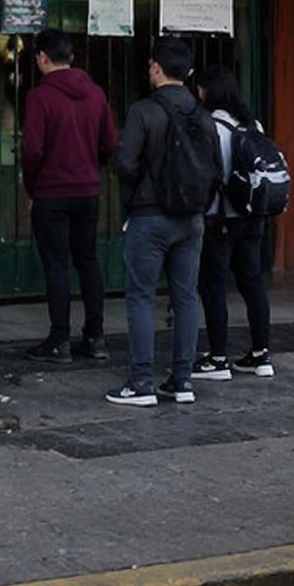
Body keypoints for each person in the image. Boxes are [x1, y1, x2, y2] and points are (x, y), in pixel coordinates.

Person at [109, 38, 219, 407]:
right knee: (186, 296)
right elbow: (215, 169)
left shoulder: (143, 111)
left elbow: (125, 163)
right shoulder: (203, 115)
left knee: (141, 296)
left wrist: (142, 185)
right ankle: (182, 379)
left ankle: (141, 382)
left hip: (149, 215)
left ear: (154, 66)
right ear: (189, 73)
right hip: (191, 218)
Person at [21, 29, 118, 365]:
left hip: (51, 193)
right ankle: (96, 336)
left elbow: (32, 149)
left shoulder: (39, 97)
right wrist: (92, 168)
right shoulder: (96, 95)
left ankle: (59, 340)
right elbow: (109, 144)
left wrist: (33, 186)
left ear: (42, 58)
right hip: (88, 190)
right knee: (88, 261)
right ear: (72, 57)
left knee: (57, 266)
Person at [189, 66, 275, 381]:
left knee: (213, 286)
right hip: (253, 215)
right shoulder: (253, 125)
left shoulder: (209, 125)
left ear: (208, 92)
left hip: (219, 217)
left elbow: (205, 173)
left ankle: (218, 357)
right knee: (252, 283)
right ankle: (261, 354)